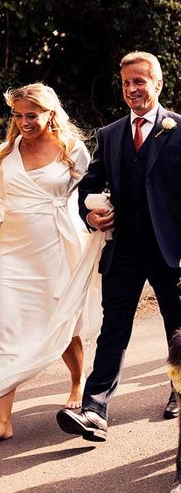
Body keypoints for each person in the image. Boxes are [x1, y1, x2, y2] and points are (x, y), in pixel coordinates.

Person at [56, 51, 181, 442]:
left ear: (157, 84)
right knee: (114, 329)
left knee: (178, 328)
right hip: (123, 249)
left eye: (139, 81)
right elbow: (89, 187)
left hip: (171, 248)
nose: (132, 89)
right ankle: (94, 409)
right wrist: (90, 215)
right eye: (126, 83)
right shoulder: (110, 134)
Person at [0, 84, 91, 441]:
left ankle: (77, 381)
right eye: (18, 115)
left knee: (63, 323)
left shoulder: (72, 151)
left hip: (56, 248)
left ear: (50, 114)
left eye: (31, 115)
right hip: (11, 250)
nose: (24, 122)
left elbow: (92, 197)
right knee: (7, 328)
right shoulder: (5, 152)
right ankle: (4, 420)